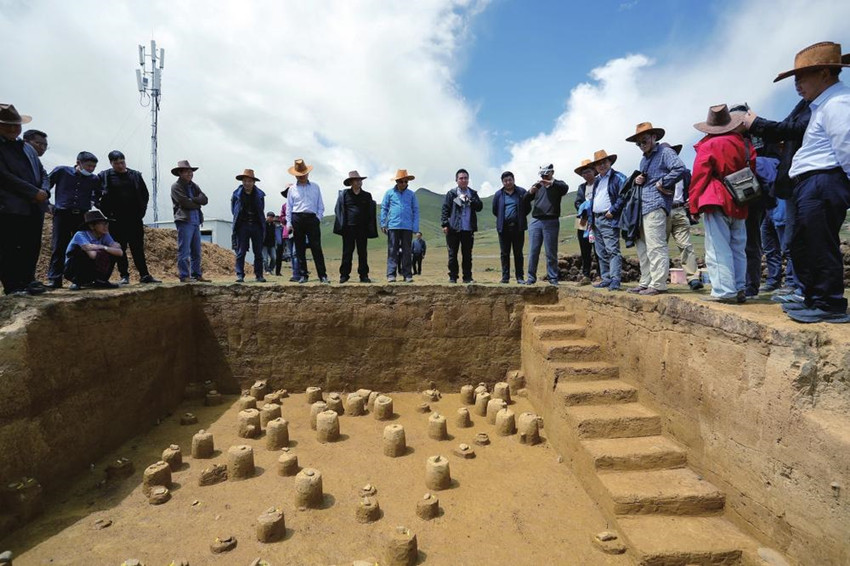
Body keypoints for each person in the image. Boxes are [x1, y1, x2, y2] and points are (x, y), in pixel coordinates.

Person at [774, 42, 850, 323]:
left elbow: (846, 146)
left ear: (825, 74)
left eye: (802, 77)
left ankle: (829, 303)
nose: (797, 85)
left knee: (819, 242)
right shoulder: (822, 105)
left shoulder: (838, 103)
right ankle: (814, 299)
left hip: (824, 180)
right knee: (805, 242)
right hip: (812, 183)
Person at [688, 104, 755, 304]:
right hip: (740, 199)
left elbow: (699, 177)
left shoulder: (708, 145)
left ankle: (724, 291)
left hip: (716, 198)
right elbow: (752, 170)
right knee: (738, 246)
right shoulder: (744, 143)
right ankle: (740, 287)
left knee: (718, 248)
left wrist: (693, 205)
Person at [625, 122, 686, 295]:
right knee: (643, 248)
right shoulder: (644, 160)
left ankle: (658, 284)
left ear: (654, 137)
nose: (641, 145)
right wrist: (639, 180)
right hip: (642, 207)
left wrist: (663, 182)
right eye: (638, 143)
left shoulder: (665, 152)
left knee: (655, 245)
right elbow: (646, 179)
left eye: (644, 140)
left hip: (656, 204)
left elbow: (679, 168)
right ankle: (646, 282)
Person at [0, 103, 50, 296]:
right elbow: (4, 177)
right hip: (10, 206)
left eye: (16, 125)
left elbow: (43, 172)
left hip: (35, 206)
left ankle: (28, 280)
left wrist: (44, 191)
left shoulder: (25, 148)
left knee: (31, 245)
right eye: (7, 125)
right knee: (10, 246)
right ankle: (13, 285)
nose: (13, 129)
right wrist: (32, 192)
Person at [97, 150, 160, 285]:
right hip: (115, 220)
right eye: (117, 163)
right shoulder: (105, 176)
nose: (120, 166)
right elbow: (96, 196)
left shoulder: (135, 175)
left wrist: (141, 212)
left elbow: (145, 194)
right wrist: (106, 211)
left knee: (137, 248)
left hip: (134, 219)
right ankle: (124, 275)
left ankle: (144, 275)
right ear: (111, 163)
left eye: (122, 162)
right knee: (120, 248)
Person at [47, 151, 103, 288]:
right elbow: (45, 185)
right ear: (78, 163)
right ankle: (55, 279)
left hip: (81, 216)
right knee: (59, 246)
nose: (91, 169)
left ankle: (79, 280)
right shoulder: (62, 171)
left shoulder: (94, 179)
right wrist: (47, 204)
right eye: (88, 166)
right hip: (62, 214)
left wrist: (91, 201)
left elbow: (98, 193)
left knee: (81, 247)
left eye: (94, 167)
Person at [587, 150, 627, 291]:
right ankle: (606, 278)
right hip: (596, 218)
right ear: (595, 167)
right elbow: (594, 199)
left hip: (608, 217)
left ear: (610, 162)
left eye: (604, 162)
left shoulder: (618, 177)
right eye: (598, 164)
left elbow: (625, 194)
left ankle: (615, 279)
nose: (601, 165)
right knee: (600, 251)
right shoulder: (597, 180)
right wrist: (591, 219)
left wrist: (613, 210)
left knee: (612, 249)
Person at [523, 163, 569, 286]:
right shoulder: (537, 185)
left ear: (552, 173)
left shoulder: (558, 185)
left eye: (546, 174)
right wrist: (530, 192)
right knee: (533, 251)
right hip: (536, 221)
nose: (544, 177)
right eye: (542, 175)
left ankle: (553, 278)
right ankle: (531, 278)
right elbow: (525, 199)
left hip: (551, 220)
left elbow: (565, 189)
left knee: (551, 251)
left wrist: (551, 183)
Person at [286, 159, 330, 284]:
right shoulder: (292, 189)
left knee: (316, 248)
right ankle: (303, 275)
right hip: (297, 218)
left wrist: (318, 218)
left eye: (303, 174)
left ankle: (322, 275)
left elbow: (320, 205)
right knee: (300, 249)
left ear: (308, 173)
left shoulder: (315, 187)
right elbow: (289, 207)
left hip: (312, 218)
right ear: (295, 175)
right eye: (299, 175)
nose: (302, 176)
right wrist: (289, 223)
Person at [666, 144, 702, 291]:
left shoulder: (685, 173)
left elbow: (692, 189)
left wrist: (690, 201)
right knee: (659, 246)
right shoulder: (657, 172)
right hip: (663, 211)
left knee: (685, 244)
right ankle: (658, 279)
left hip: (680, 210)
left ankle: (693, 278)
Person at [333, 170, 378, 283]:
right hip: (348, 228)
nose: (359, 182)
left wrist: (369, 226)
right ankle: (344, 275)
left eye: (360, 180)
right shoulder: (344, 194)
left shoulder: (367, 195)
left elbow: (370, 212)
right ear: (351, 182)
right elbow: (338, 209)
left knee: (362, 252)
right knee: (347, 252)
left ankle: (364, 275)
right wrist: (342, 225)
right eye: (356, 180)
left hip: (362, 228)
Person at [441, 168, 483, 283]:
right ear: (456, 180)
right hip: (453, 228)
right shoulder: (452, 193)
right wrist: (445, 224)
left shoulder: (473, 193)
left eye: (465, 178)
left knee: (467, 255)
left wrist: (469, 200)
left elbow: (479, 207)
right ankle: (453, 277)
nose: (463, 180)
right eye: (461, 178)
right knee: (452, 254)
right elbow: (445, 209)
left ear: (468, 180)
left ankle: (467, 277)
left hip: (468, 229)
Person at [170, 159, 209, 283]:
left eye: (190, 171)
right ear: (180, 173)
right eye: (186, 171)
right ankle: (184, 276)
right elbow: (184, 203)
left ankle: (196, 275)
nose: (190, 173)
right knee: (184, 250)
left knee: (196, 251)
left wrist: (193, 200)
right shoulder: (176, 187)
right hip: (184, 221)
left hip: (196, 221)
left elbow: (205, 199)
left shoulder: (194, 186)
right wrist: (197, 202)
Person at [64, 210, 124, 290]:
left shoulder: (105, 234)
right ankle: (77, 281)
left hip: (92, 269)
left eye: (106, 223)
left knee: (111, 253)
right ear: (92, 226)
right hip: (72, 270)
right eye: (102, 224)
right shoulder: (80, 235)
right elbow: (92, 255)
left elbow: (119, 252)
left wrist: (103, 247)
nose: (106, 226)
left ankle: (101, 280)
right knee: (80, 252)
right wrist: (105, 248)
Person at [380, 169, 419, 283]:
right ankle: (391, 274)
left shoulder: (411, 194)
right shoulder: (389, 193)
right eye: (401, 181)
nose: (404, 184)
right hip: (393, 225)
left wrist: (415, 227)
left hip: (407, 226)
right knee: (392, 250)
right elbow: (384, 208)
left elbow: (416, 210)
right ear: (396, 182)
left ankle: (407, 275)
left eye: (406, 181)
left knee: (407, 251)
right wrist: (383, 223)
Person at [231, 168, 266, 283]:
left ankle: (259, 275)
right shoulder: (236, 194)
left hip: (256, 225)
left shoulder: (260, 195)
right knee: (241, 251)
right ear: (242, 182)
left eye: (250, 181)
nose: (247, 183)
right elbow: (234, 210)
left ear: (254, 182)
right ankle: (240, 275)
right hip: (243, 225)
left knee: (258, 252)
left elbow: (261, 210)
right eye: (245, 181)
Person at [492, 171, 528, 284]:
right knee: (504, 253)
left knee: (518, 253)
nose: (508, 182)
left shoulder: (521, 192)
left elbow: (527, 208)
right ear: (502, 182)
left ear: (513, 180)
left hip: (518, 227)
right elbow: (495, 210)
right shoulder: (498, 194)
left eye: (510, 180)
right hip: (504, 228)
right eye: (505, 181)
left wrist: (520, 217)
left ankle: (520, 277)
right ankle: (505, 277)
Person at [572, 159, 595, 286]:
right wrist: (583, 208)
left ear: (594, 171)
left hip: (595, 218)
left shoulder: (599, 184)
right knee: (584, 248)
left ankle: (602, 274)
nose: (586, 174)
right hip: (581, 220)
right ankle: (586, 275)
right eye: (584, 173)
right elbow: (577, 201)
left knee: (597, 247)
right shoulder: (581, 187)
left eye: (588, 171)